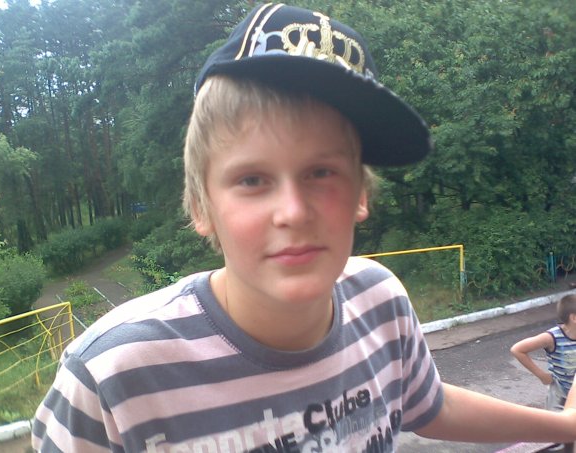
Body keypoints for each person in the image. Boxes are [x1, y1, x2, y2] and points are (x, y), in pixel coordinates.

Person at [32, 3, 576, 452]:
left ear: (361, 193)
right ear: (200, 205)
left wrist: (565, 427)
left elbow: (430, 405)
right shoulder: (112, 377)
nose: (292, 211)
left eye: (322, 172)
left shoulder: (380, 301)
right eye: (251, 179)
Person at [511, 294, 576, 452]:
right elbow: (517, 350)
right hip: (560, 396)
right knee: (557, 435)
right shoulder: (553, 337)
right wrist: (542, 376)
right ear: (574, 318)